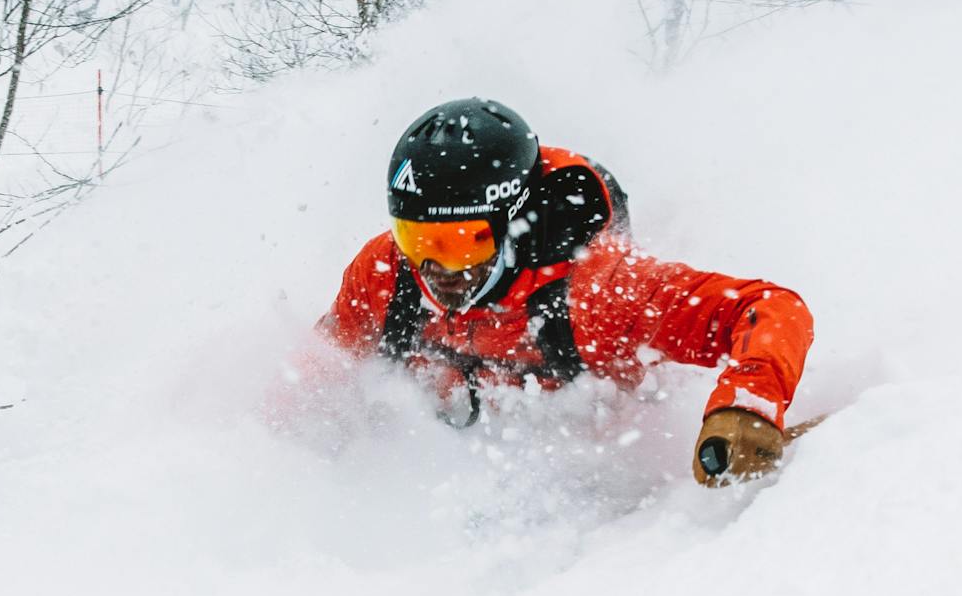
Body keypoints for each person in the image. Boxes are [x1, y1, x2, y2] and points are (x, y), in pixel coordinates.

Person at [314, 98, 813, 484]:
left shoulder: (601, 291)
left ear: (512, 227)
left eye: (463, 243)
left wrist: (746, 406)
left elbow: (767, 308)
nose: (435, 267)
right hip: (437, 475)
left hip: (597, 480)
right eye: (416, 238)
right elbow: (323, 364)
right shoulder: (384, 273)